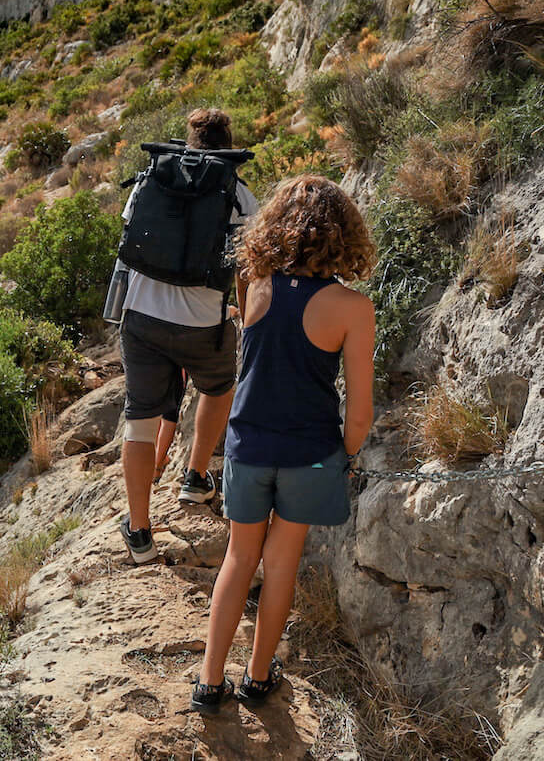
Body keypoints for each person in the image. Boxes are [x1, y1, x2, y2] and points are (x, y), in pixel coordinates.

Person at [190, 174, 377, 714]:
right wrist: (347, 455)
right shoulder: (353, 307)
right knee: (280, 564)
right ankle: (257, 677)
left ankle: (208, 683)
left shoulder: (255, 282)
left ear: (276, 225)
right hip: (308, 454)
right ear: (342, 233)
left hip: (248, 445)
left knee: (238, 557)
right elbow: (359, 413)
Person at [118, 108, 259, 564]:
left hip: (141, 318)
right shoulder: (238, 194)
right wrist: (243, 316)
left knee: (139, 420)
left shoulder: (150, 178)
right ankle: (195, 478)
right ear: (228, 144)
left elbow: (129, 241)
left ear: (190, 142)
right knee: (218, 388)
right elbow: (245, 268)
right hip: (203, 324)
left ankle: (140, 531)